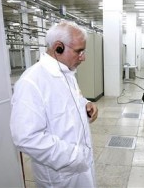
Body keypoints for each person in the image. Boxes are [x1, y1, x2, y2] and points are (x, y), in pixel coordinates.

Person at [10, 20, 98, 187]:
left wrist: (85, 103)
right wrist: (73, 156)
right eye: (79, 51)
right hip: (60, 175)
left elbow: (68, 101)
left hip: (81, 166)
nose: (83, 57)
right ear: (59, 47)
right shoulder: (32, 82)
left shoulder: (67, 72)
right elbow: (26, 138)